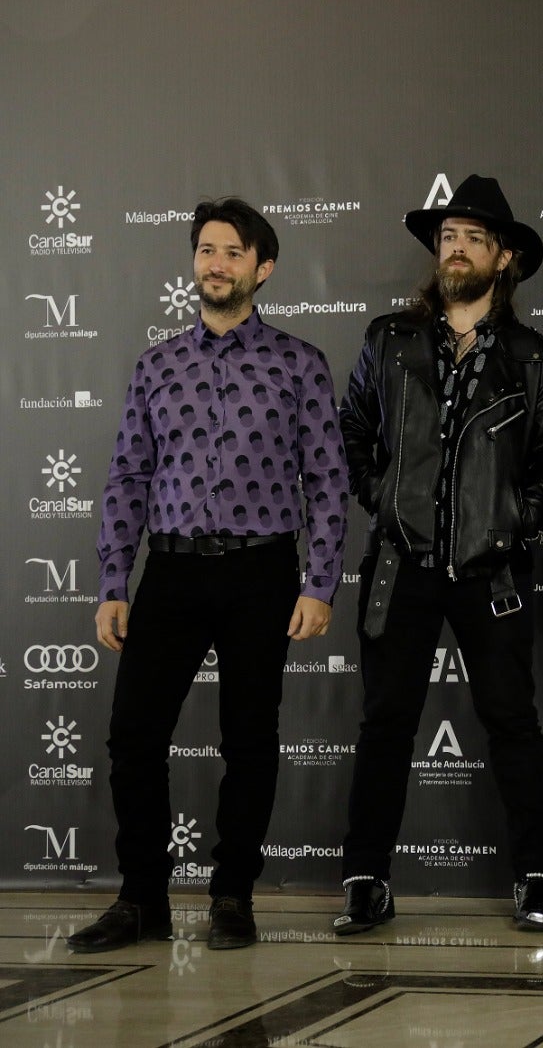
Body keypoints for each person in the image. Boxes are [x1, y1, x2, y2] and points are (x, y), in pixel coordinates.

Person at [71, 198, 348, 953]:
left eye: (232, 252)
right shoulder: (158, 365)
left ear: (263, 268)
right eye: (206, 250)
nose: (216, 264)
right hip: (172, 572)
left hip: (263, 573)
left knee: (250, 740)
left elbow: (327, 481)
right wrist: (112, 582)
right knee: (133, 735)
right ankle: (141, 899)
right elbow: (128, 476)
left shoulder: (300, 363)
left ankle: (233, 897)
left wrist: (319, 581)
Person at [335, 175, 543, 935]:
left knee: (514, 723)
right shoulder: (388, 341)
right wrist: (388, 500)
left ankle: (537, 878)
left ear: (503, 258)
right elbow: (352, 437)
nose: (455, 249)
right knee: (385, 725)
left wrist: (511, 519)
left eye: (472, 238)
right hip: (400, 566)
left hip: (490, 570)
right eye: (447, 238)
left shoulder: (533, 358)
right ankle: (365, 880)